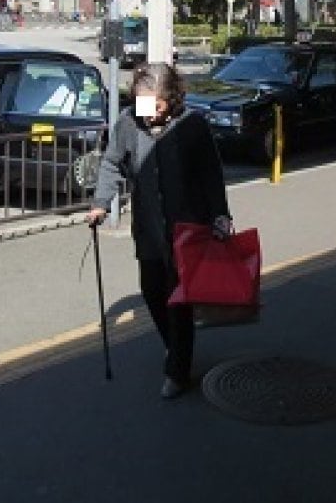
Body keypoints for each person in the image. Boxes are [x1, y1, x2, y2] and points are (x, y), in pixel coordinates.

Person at [86, 62, 233, 399]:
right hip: (149, 228)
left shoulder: (192, 125)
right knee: (153, 291)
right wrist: (101, 201)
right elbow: (112, 162)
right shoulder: (127, 123)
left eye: (156, 105)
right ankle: (174, 348)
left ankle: (178, 371)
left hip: (187, 229)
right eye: (142, 104)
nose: (148, 113)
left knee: (178, 300)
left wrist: (220, 214)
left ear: (171, 99)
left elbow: (211, 173)